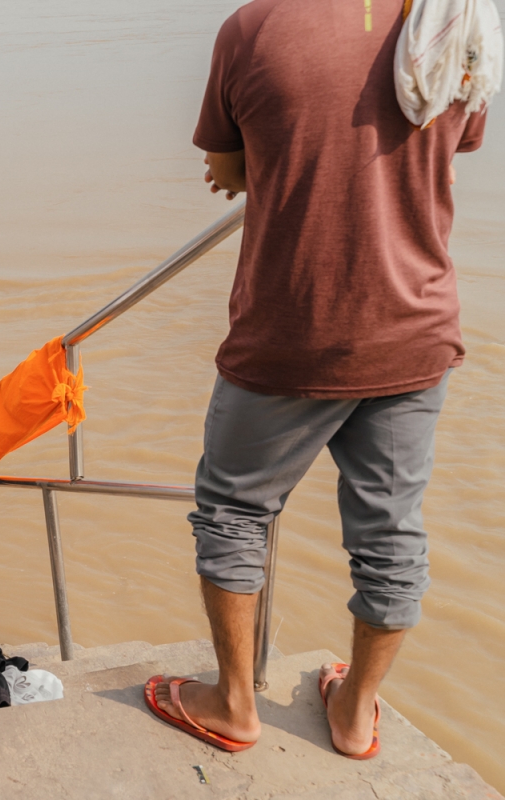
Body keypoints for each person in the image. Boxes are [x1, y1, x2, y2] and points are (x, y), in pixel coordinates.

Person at [145, 0, 489, 759]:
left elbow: (229, 167)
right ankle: (357, 711)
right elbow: (445, 140)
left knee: (234, 511)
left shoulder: (254, 28)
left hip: (290, 332)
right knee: (391, 536)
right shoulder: (452, 22)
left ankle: (235, 703)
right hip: (413, 330)